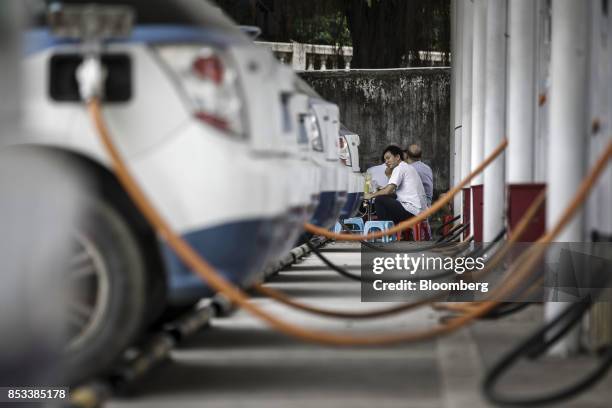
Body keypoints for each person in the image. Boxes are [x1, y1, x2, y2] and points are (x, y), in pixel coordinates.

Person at [363, 145, 427, 225]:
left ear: (397, 157)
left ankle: (387, 230)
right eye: (385, 159)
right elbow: (391, 190)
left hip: (413, 211)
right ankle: (392, 228)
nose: (386, 162)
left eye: (388, 158)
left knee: (379, 200)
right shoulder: (407, 167)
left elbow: (388, 190)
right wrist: (388, 174)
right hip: (420, 211)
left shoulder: (399, 168)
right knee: (388, 197)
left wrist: (370, 195)